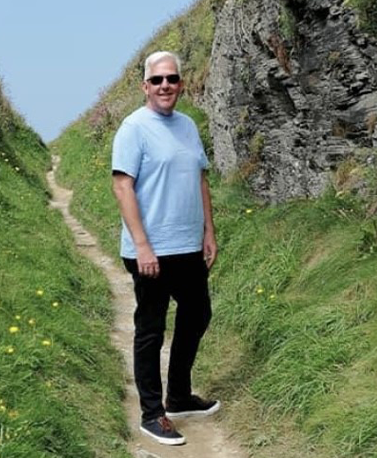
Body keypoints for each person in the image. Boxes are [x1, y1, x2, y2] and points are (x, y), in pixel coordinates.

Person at [111, 50, 219, 446]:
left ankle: (178, 395)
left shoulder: (188, 126)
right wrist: (142, 246)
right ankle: (152, 414)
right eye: (157, 80)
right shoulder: (133, 128)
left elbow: (200, 179)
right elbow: (122, 185)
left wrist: (209, 230)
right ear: (145, 86)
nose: (165, 86)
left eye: (171, 79)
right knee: (151, 330)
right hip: (150, 250)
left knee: (197, 314)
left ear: (181, 83)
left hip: (188, 245)